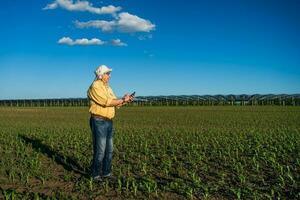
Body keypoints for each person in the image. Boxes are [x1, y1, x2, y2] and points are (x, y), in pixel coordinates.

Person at [87, 65, 134, 181]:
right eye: (107, 73)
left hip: (109, 121)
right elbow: (106, 102)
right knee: (100, 150)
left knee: (109, 150)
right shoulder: (95, 86)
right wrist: (123, 100)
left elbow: (115, 103)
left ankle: (106, 173)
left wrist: (125, 100)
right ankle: (95, 175)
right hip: (98, 121)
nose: (110, 75)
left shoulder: (108, 88)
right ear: (100, 75)